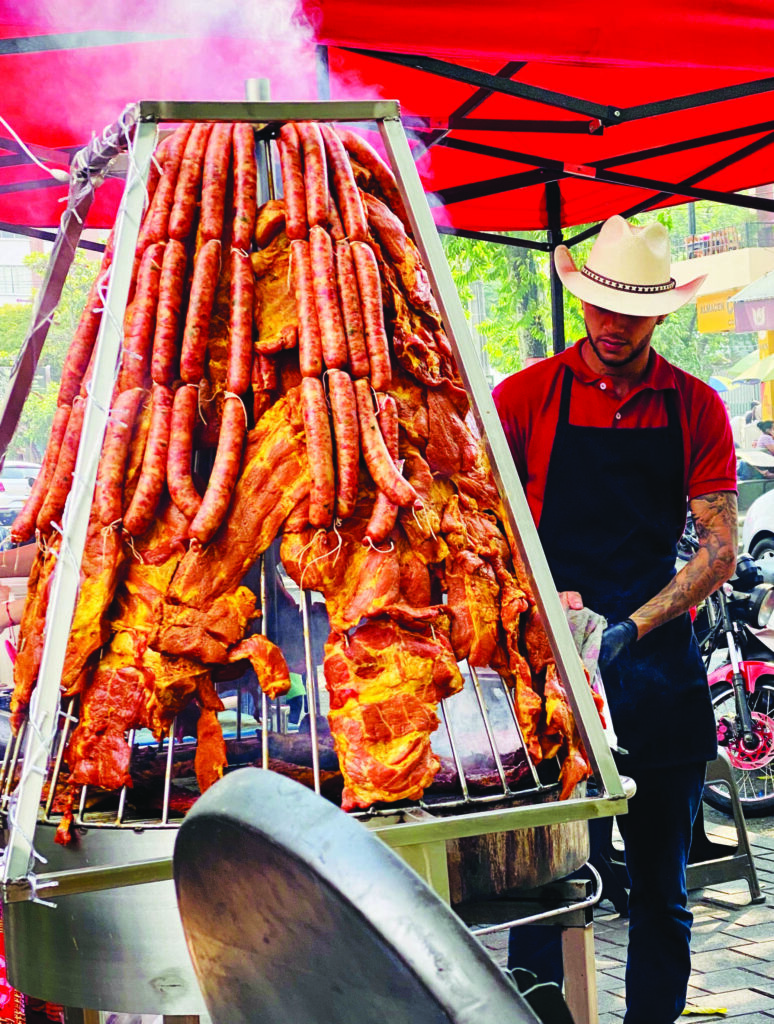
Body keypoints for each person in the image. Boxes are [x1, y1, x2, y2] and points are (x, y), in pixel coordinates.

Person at [493, 214, 737, 1024]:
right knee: (544, 891)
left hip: (660, 671)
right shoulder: (523, 397)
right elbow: (485, 525)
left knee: (662, 894)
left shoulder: (696, 406)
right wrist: (539, 600)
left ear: (660, 314)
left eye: (630, 312)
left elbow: (718, 551)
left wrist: (633, 626)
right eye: (599, 305)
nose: (610, 325)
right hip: (551, 674)